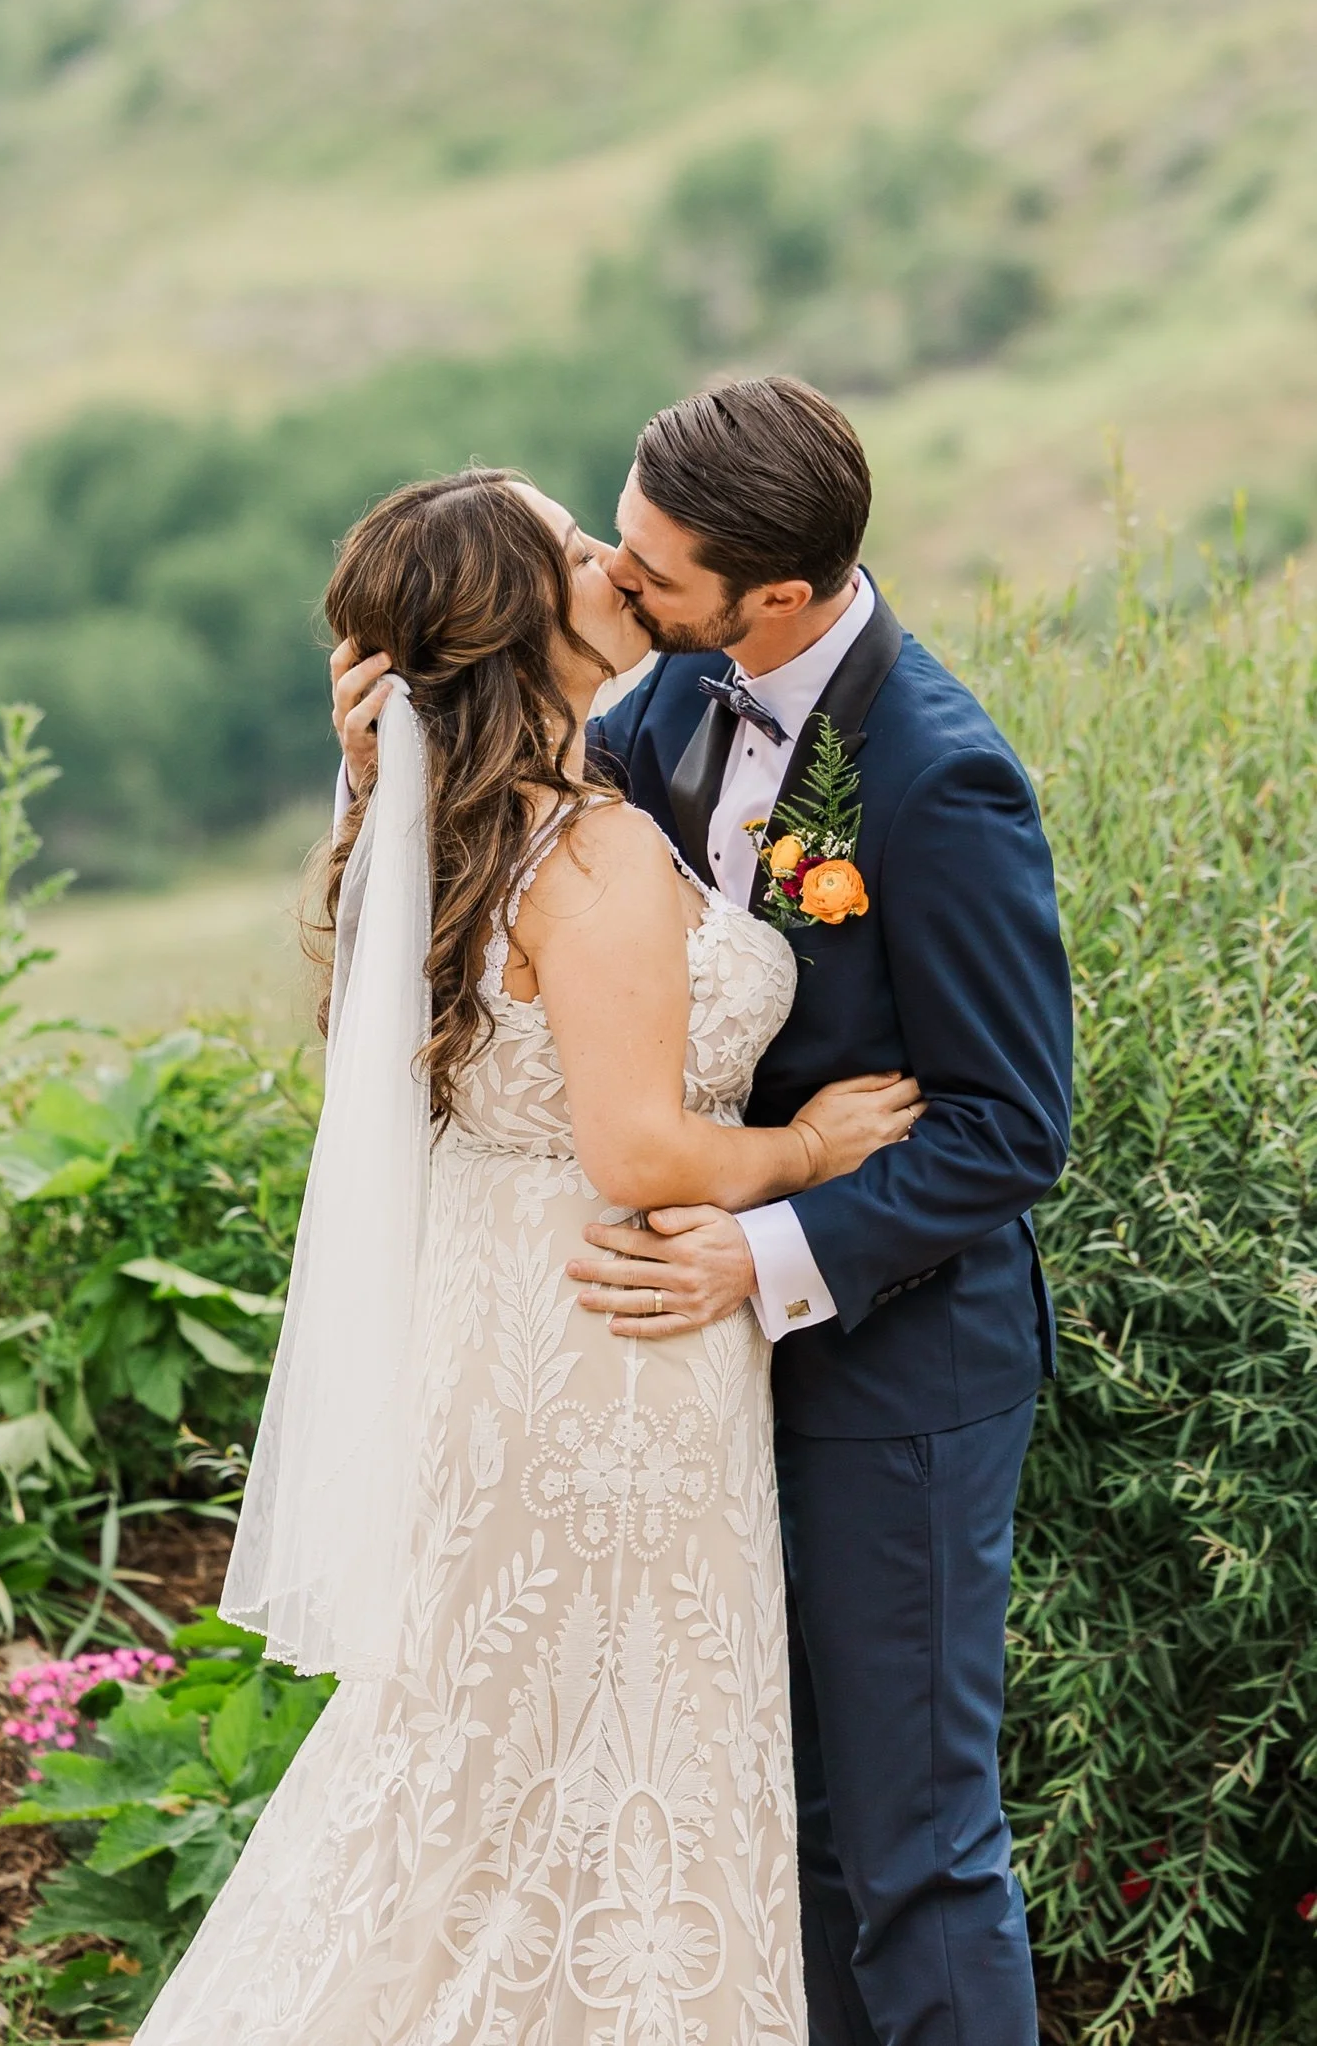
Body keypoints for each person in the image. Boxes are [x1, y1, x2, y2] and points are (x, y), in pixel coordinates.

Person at [136, 469, 920, 2046]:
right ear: (518, 616)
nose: (611, 561)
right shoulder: (595, 848)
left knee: (477, 1781)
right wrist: (810, 1151)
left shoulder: (441, 837)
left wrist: (367, 775)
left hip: (497, 1330)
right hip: (611, 1353)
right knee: (614, 1786)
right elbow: (636, 1150)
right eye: (574, 547)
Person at [333, 380, 1074, 2046]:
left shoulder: (940, 778)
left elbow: (1011, 1125)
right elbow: (492, 865)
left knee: (913, 1847)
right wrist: (377, 757)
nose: (620, 580)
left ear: (781, 597)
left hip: (892, 1374)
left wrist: (771, 1241)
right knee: (752, 1827)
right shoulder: (657, 701)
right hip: (652, 1394)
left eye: (657, 570)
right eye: (619, 539)